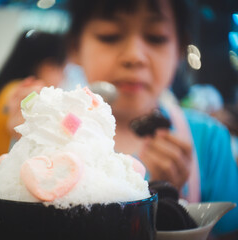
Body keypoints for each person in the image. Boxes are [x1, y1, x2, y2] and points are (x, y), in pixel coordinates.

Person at [65, 0, 238, 238]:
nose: (134, 56)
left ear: (179, 49)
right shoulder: (54, 136)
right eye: (110, 36)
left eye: (156, 37)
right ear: (75, 46)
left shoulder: (210, 139)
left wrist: (169, 202)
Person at [0, 30, 67, 185]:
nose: (64, 77)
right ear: (49, 66)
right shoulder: (25, 93)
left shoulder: (5, 89)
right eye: (63, 68)